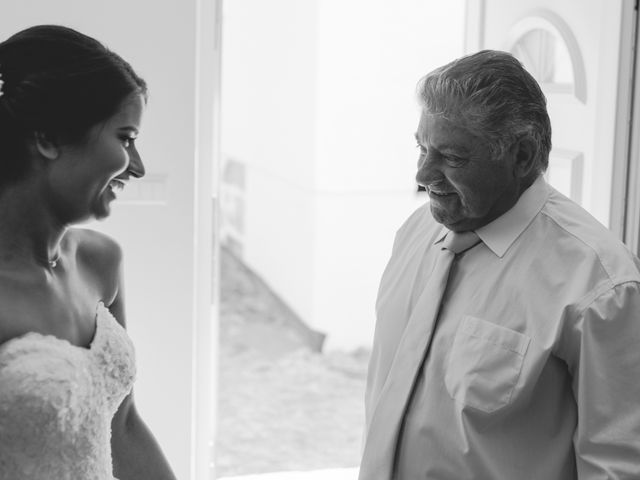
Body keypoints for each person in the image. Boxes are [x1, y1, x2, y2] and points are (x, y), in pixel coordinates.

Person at [360, 50, 640, 479]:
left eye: (452, 158)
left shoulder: (601, 286)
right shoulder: (415, 233)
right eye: (422, 147)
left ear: (522, 156)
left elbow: (618, 466)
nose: (422, 174)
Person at [0, 25, 176, 479]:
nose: (136, 167)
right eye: (125, 137)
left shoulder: (101, 262)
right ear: (48, 138)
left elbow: (123, 427)